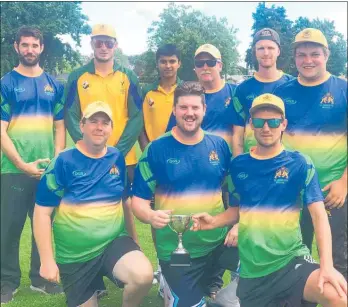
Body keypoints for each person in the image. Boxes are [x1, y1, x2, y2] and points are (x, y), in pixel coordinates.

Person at [192, 93, 347, 307]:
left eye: (273, 121)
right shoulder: (239, 166)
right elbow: (238, 209)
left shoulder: (300, 163)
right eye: (259, 121)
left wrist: (327, 266)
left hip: (291, 261)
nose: (266, 128)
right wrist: (215, 221)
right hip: (252, 273)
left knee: (337, 297)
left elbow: (319, 216)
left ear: (283, 124)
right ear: (251, 125)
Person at [33, 101, 153, 307]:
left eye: (105, 123)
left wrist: (134, 241)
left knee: (143, 276)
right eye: (94, 121)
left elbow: (124, 202)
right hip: (75, 256)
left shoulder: (116, 157)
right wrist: (47, 260)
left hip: (113, 242)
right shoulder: (63, 162)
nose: (99, 127)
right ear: (82, 125)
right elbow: (42, 213)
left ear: (111, 128)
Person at [132, 82, 238, 307]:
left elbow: (237, 195)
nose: (190, 113)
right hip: (176, 253)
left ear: (204, 109)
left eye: (195, 108)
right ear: (174, 110)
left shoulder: (219, 146)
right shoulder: (156, 149)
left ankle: (227, 299)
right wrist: (150, 216)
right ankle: (170, 284)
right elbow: (138, 202)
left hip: (218, 245)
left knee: (267, 270)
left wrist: (238, 225)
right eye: (183, 108)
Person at [64, 24, 142, 281]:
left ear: (115, 45)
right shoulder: (78, 76)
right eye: (99, 42)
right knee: (87, 212)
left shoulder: (127, 75)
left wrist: (115, 151)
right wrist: (88, 147)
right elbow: (71, 115)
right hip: (86, 159)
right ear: (92, 44)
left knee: (122, 208)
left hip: (121, 159)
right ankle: (91, 276)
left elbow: (136, 116)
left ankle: (124, 264)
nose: (104, 47)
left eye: (109, 42)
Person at [274, 28, 347, 279]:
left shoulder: (343, 89)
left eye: (314, 54)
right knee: (296, 258)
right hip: (293, 192)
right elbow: (274, 139)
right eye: (301, 54)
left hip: (332, 192)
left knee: (339, 260)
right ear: (294, 58)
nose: (308, 60)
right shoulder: (282, 93)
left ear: (326, 55)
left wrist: (344, 183)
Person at [0, 26, 65, 304]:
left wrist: (56, 161)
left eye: (34, 45)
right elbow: (1, 130)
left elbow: (60, 128)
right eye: (24, 44)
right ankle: (6, 282)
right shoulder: (5, 83)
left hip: (46, 170)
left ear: (41, 48)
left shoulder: (54, 84)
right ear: (16, 47)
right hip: (13, 170)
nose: (29, 50)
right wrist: (22, 164)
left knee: (44, 225)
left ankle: (41, 278)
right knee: (9, 228)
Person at [139, 43, 182, 294]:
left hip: (182, 163)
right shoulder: (149, 93)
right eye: (163, 61)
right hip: (157, 165)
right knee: (157, 217)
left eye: (172, 61)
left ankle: (185, 267)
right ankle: (162, 268)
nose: (168, 66)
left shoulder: (186, 90)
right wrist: (152, 156)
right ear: (157, 63)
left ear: (179, 64)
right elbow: (142, 129)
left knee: (183, 216)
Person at [232, 28, 293, 156]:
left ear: (278, 51)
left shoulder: (292, 85)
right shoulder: (242, 89)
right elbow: (238, 133)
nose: (266, 53)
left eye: (270, 48)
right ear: (254, 51)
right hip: (253, 161)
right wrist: (238, 163)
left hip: (285, 163)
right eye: (261, 48)